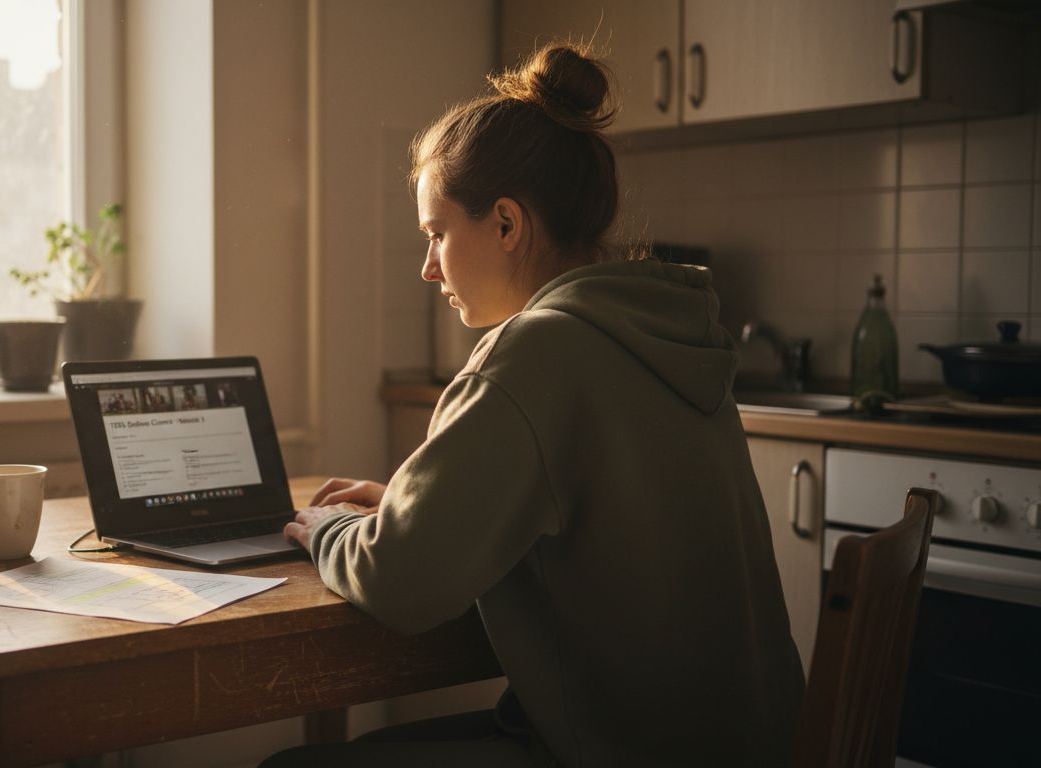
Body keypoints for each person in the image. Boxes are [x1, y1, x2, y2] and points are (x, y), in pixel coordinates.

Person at [266, 42, 804, 768]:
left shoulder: (536, 352)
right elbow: (609, 510)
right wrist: (416, 504)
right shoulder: (670, 335)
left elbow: (402, 582)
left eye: (436, 234)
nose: (428, 268)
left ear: (508, 225)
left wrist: (328, 528)